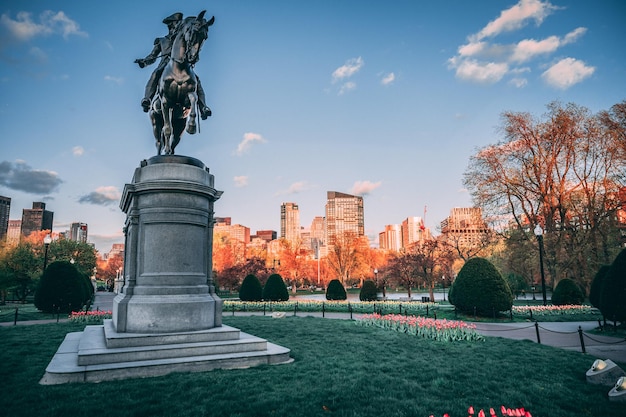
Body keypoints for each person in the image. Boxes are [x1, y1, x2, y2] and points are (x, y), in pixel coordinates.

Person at [135, 12, 211, 119]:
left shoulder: (184, 38)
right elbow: (152, 56)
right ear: (170, 25)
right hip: (165, 65)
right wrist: (144, 62)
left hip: (182, 65)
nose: (177, 25)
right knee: (156, 73)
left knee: (196, 80)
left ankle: (203, 107)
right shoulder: (162, 40)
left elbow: (192, 47)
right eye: (176, 23)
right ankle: (147, 99)